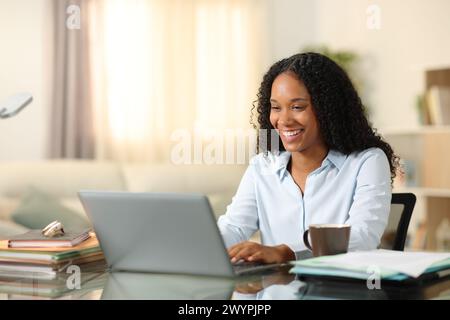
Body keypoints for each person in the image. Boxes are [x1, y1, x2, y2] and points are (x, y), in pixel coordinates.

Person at [218, 52, 399, 264]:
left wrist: (286, 252)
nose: (283, 120)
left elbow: (362, 235)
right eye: (276, 107)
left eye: (297, 107)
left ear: (326, 108)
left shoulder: (367, 162)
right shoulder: (262, 166)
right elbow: (234, 227)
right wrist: (204, 246)